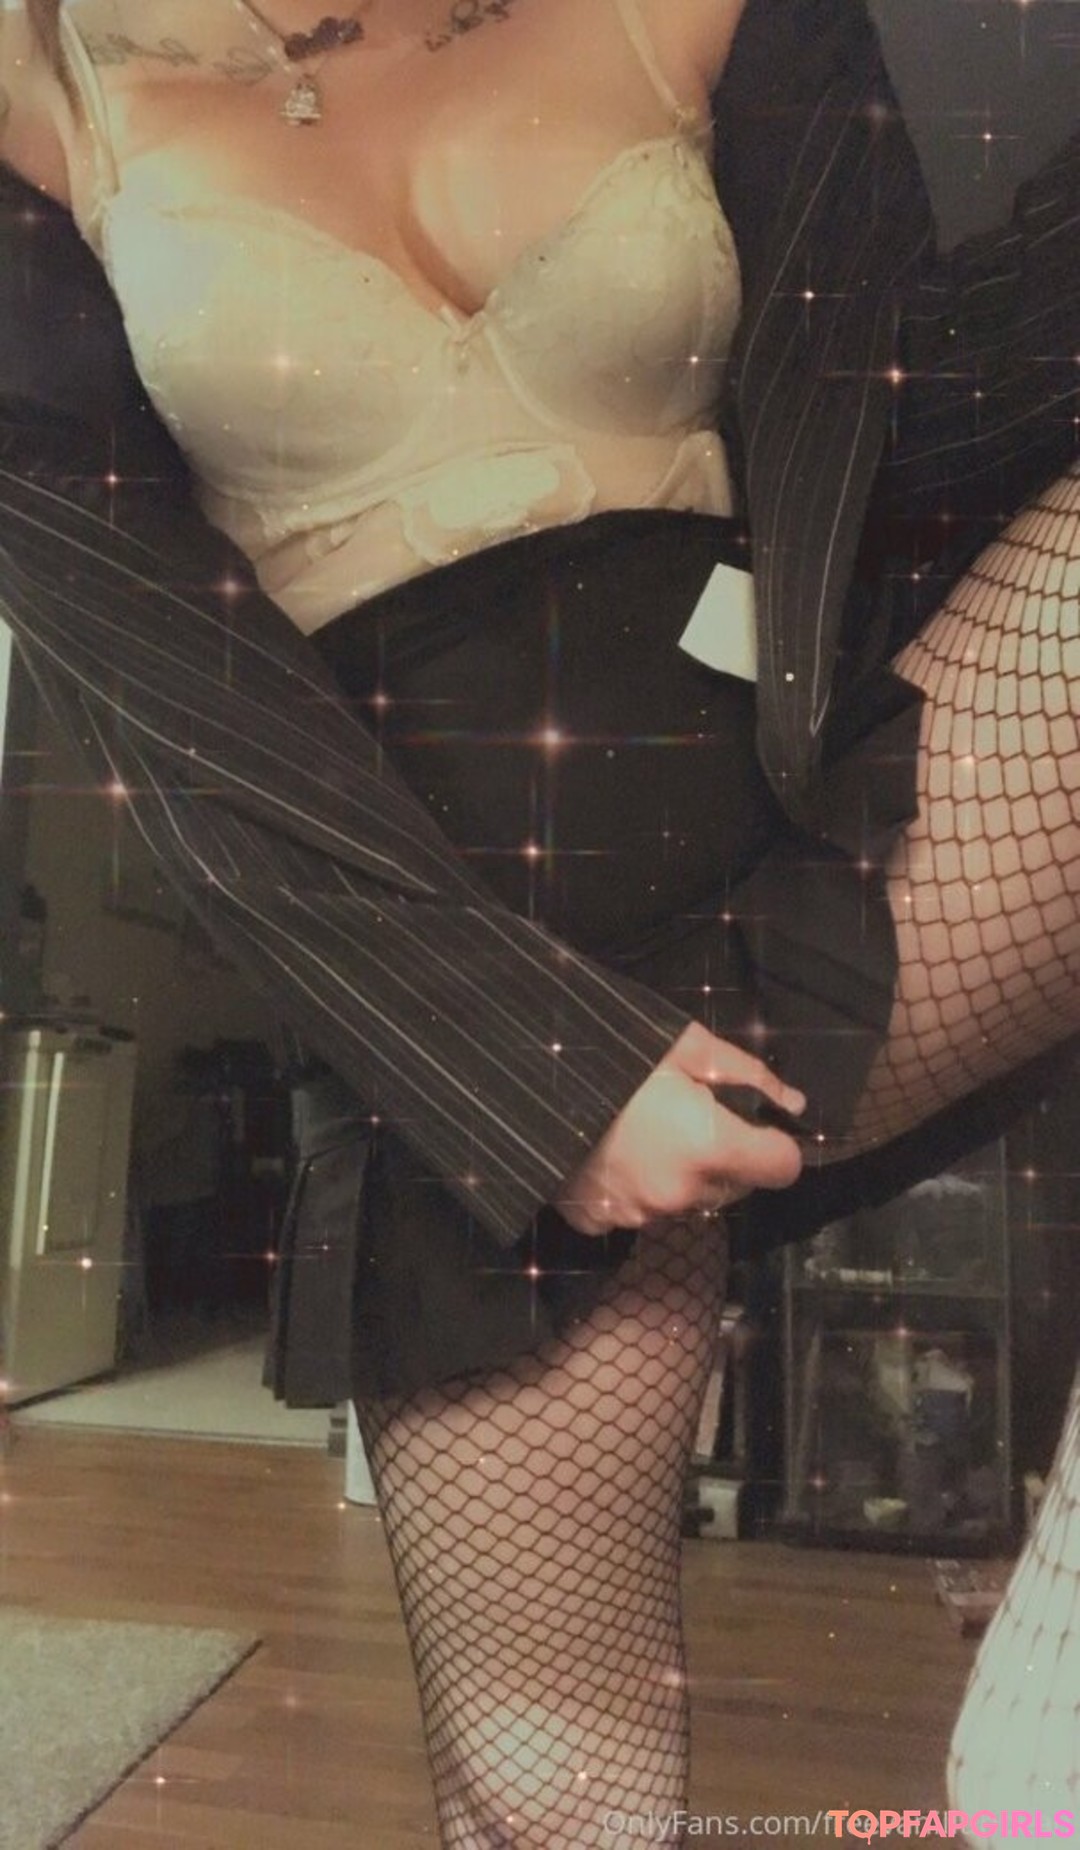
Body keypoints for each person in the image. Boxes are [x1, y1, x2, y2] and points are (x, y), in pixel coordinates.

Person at [0, 0, 1075, 1842]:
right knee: (557, 1801)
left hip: (829, 865)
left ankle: (1051, 1703)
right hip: (470, 1033)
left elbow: (907, 409)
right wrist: (541, 1071)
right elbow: (168, 691)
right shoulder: (45, 86)